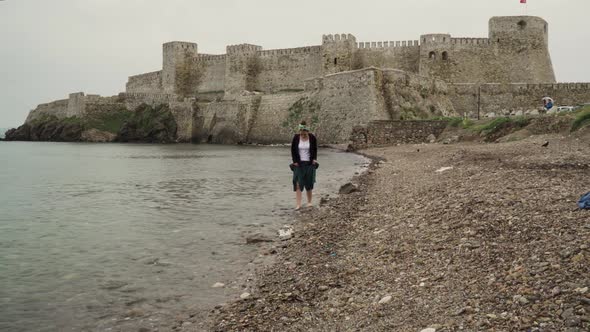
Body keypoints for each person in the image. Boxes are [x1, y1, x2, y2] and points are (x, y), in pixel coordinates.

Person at [290, 121, 318, 210]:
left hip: (309, 163)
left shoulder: (312, 137)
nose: (302, 133)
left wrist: (314, 159)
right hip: (298, 164)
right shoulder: (296, 137)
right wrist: (294, 161)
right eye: (301, 131)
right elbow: (293, 150)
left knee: (309, 183)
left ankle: (309, 202)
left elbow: (315, 149)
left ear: (307, 131)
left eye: (304, 131)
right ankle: (298, 204)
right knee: (298, 183)